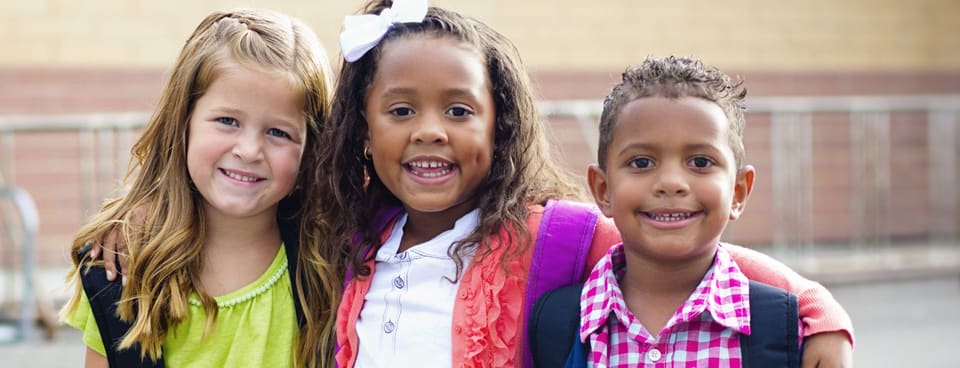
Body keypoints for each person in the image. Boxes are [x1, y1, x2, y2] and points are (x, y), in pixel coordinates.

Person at [321, 1, 853, 367]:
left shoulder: (550, 235)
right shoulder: (352, 238)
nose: (430, 131)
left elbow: (701, 255)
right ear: (364, 130)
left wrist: (815, 305)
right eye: (401, 110)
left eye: (459, 110)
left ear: (499, 128)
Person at [59, 8, 339, 368]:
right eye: (227, 121)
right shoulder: (124, 266)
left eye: (278, 132)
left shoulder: (330, 260)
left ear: (311, 149)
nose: (249, 150)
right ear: (184, 123)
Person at [529, 56, 846, 367]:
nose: (671, 183)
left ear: (738, 191)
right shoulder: (558, 322)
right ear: (603, 190)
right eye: (642, 163)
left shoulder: (784, 329)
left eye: (700, 162)